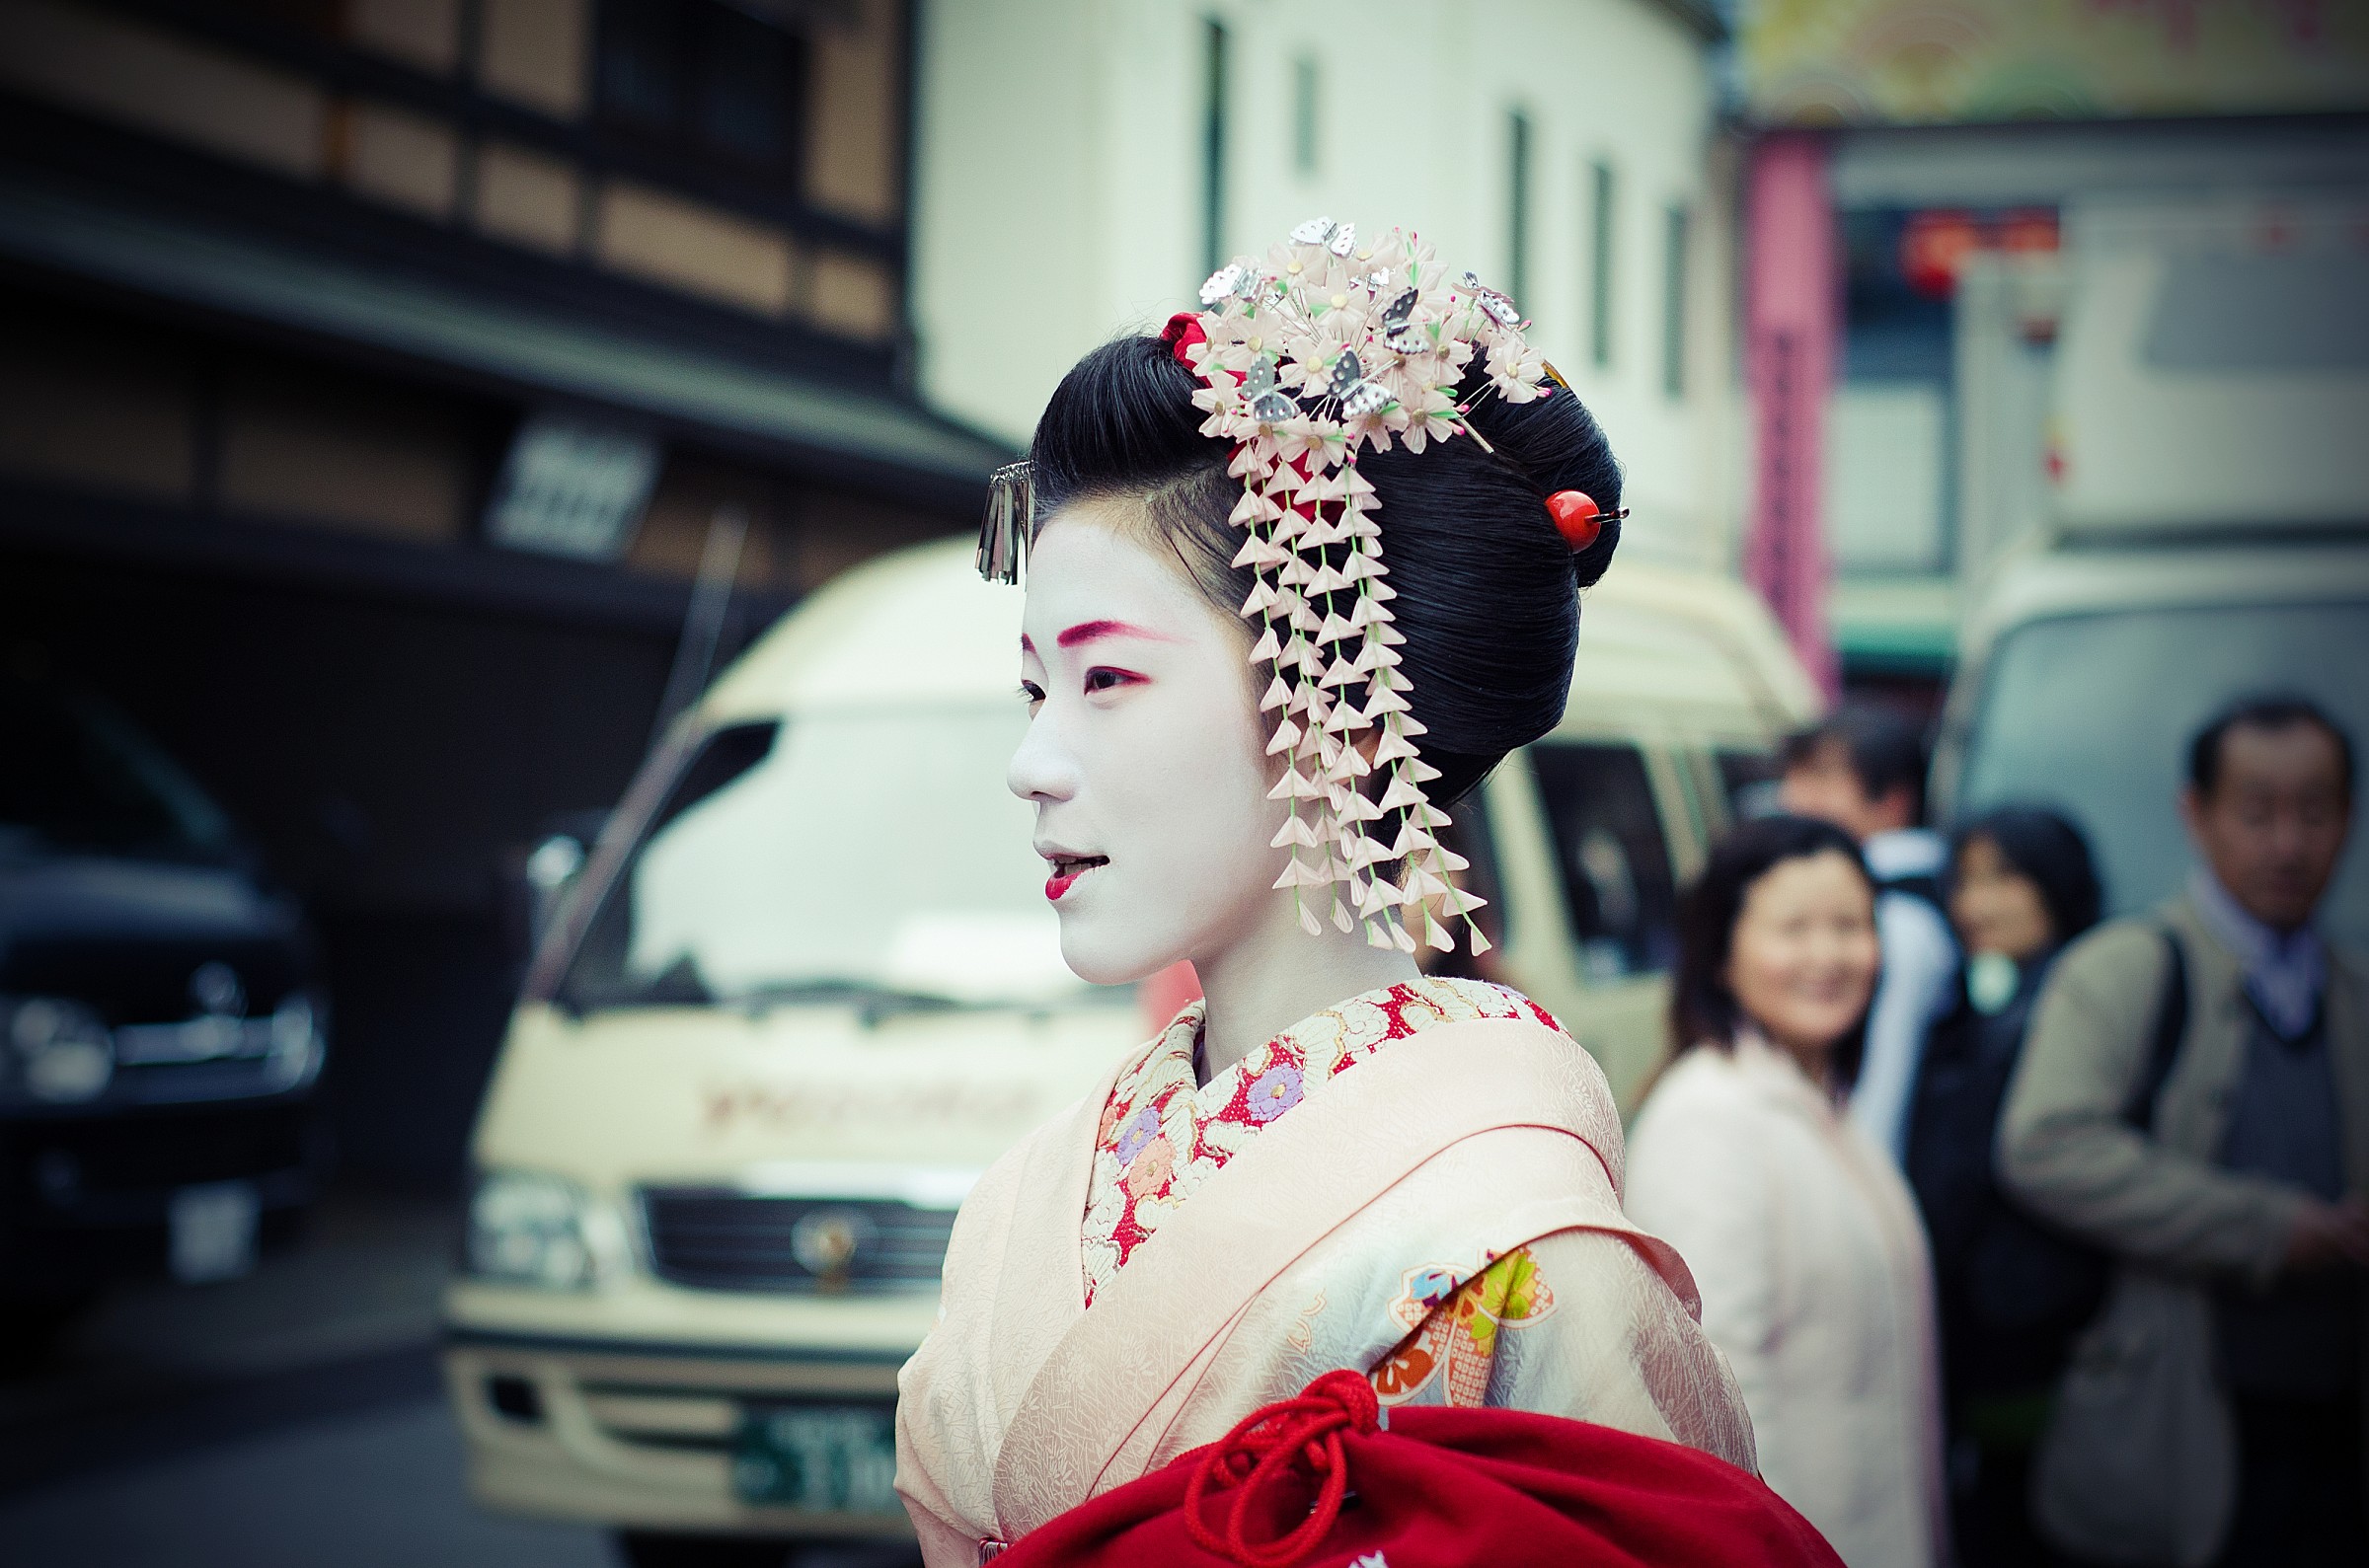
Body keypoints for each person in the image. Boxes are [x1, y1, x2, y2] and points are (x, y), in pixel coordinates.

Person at [892, 224, 1758, 1565]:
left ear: (1346, 711)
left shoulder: (1525, 1244)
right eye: (1033, 688)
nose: (1032, 763)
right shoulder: (1032, 1195)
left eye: (1107, 679)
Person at [2001, 695, 2367, 1567]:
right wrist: (2272, 1228)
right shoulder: (2128, 968)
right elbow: (2043, 1145)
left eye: (2315, 812)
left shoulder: (2352, 991)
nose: (2288, 843)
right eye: (2257, 811)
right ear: (2195, 814)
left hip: (2331, 1433)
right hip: (2175, 1420)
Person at [1626, 815, 1949, 1568]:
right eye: (1792, 928)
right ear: (1721, 954)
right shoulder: (1710, 1118)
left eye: (1850, 925)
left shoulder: (1821, 1099)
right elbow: (1712, 1400)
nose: (1827, 955)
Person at [1904, 806, 2104, 1567]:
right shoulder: (1992, 994)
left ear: (2058, 884)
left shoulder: (2076, 1005)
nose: (1977, 902)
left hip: (2036, 1334)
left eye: (2005, 876)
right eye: (1967, 879)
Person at [1780, 707, 1962, 1166]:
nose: (1792, 798)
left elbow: (1880, 1097)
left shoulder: (1900, 920)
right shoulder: (1899, 897)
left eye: (1819, 780)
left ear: (1892, 801)